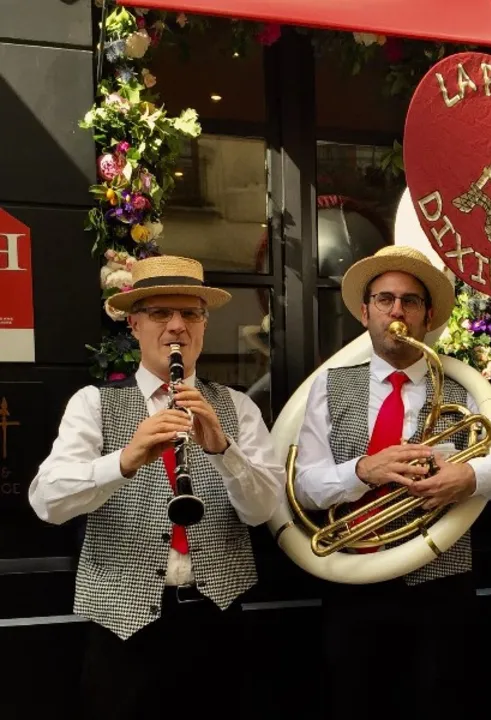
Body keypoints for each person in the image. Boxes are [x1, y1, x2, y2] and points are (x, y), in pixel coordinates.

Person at [293, 244, 491, 720]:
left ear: (428, 316)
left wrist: (470, 476)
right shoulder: (330, 385)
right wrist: (361, 471)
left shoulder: (466, 388)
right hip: (352, 579)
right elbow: (304, 486)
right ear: (365, 312)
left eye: (410, 301)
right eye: (385, 299)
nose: (397, 311)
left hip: (439, 585)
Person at [28, 255, 285, 720]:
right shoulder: (93, 403)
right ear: (134, 323)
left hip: (216, 623)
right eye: (160, 313)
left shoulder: (239, 407)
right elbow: (47, 502)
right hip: (122, 633)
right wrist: (123, 461)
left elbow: (262, 510)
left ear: (204, 325)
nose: (176, 326)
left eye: (190, 314)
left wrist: (223, 449)